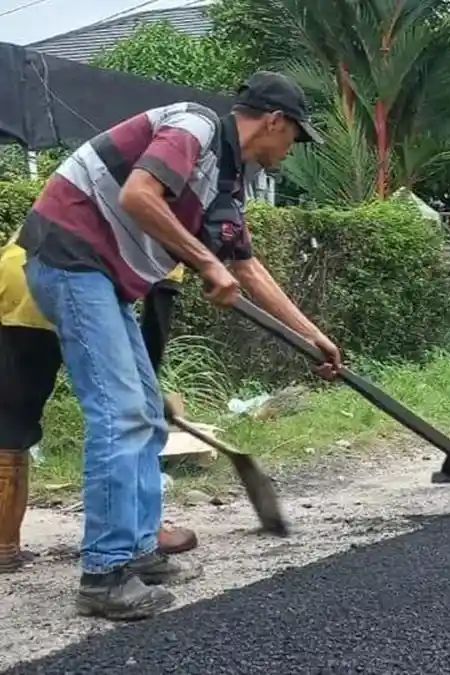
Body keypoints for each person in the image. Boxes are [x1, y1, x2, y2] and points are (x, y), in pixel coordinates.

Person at [10, 71, 342, 620]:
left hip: (101, 278)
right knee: (121, 415)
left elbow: (245, 267)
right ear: (275, 121)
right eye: (295, 137)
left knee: (144, 415)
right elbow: (140, 194)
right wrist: (205, 261)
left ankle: (138, 552)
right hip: (69, 258)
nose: (292, 149)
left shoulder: (226, 182)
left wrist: (313, 337)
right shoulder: (194, 124)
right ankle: (105, 573)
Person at [0, 240, 198, 575]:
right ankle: (143, 534)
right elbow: (154, 321)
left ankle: (4, 546)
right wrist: (148, 389)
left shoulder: (99, 191)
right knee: (126, 418)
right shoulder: (171, 230)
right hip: (76, 287)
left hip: (16, 273)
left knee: (11, 416)